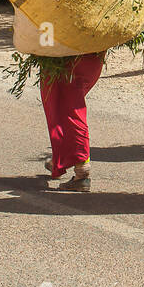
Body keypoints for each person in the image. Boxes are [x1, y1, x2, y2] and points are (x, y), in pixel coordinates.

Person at [41, 52, 105, 191]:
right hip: (92, 56)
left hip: (69, 57)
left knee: (70, 110)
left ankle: (81, 170)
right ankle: (61, 159)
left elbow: (47, 34)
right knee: (65, 106)